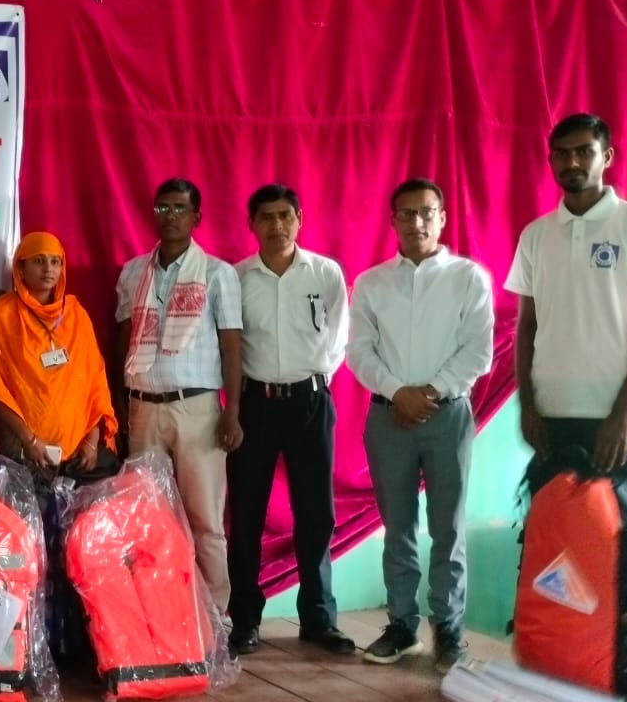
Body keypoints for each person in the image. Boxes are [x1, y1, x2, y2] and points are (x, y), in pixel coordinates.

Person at [348, 178, 494, 673]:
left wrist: (428, 393)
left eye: (426, 212)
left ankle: (448, 628)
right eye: (406, 214)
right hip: (388, 415)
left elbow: (477, 351)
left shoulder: (468, 278)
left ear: (443, 217)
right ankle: (402, 625)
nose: (417, 222)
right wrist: (398, 392)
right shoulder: (372, 283)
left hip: (447, 414)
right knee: (398, 525)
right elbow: (358, 352)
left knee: (447, 525)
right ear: (393, 221)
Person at [507, 113, 627, 484]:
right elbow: (527, 326)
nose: (572, 161)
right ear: (551, 160)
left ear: (607, 157)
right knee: (553, 519)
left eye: (584, 151)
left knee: (617, 520)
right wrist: (527, 406)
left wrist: (623, 413)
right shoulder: (535, 235)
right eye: (561, 153)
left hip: (614, 412)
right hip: (550, 411)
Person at [228, 183, 352, 655]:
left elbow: (338, 338)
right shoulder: (237, 278)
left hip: (310, 404)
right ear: (251, 224)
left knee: (316, 512)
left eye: (285, 215)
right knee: (246, 513)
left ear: (300, 219)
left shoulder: (325, 273)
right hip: (254, 405)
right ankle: (244, 619)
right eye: (266, 216)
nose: (276, 225)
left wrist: (312, 382)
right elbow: (229, 345)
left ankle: (319, 618)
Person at [114, 179, 243, 610]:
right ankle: (161, 614)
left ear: (196, 217)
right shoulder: (134, 272)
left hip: (198, 409)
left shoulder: (218, 274)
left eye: (179, 208)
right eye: (163, 208)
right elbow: (122, 339)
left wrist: (232, 411)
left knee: (205, 518)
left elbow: (231, 345)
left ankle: (216, 616)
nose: (170, 216)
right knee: (148, 516)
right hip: (143, 407)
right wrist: (118, 404)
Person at [0, 232, 117, 470]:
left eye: (55, 261)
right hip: (22, 449)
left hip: (79, 451)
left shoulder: (77, 316)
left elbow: (95, 382)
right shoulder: (1, 317)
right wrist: (30, 441)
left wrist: (91, 441)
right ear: (20, 268)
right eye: (39, 261)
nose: (48, 269)